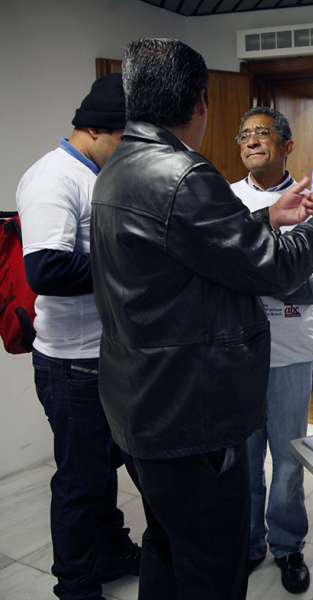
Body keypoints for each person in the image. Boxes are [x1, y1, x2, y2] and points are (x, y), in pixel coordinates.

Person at [90, 39, 313, 600]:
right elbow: (275, 267)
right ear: (202, 102)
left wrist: (263, 214)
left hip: (142, 403)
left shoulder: (120, 167)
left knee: (166, 547)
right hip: (190, 413)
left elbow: (177, 237)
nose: (252, 142)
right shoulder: (184, 174)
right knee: (214, 569)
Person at [15, 73, 140, 600]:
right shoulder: (52, 178)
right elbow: (46, 269)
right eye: (124, 141)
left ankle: (108, 552)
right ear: (95, 130)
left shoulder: (92, 172)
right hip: (72, 364)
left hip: (103, 357)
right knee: (79, 480)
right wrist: (129, 261)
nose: (128, 153)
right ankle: (76, 584)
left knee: (100, 470)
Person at [230, 107, 313, 593]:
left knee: (289, 458)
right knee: (245, 458)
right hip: (237, 355)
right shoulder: (224, 199)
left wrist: (281, 285)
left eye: (263, 132)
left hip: (292, 353)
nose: (253, 140)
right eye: (246, 134)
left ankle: (286, 544)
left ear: (287, 145)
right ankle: (249, 543)